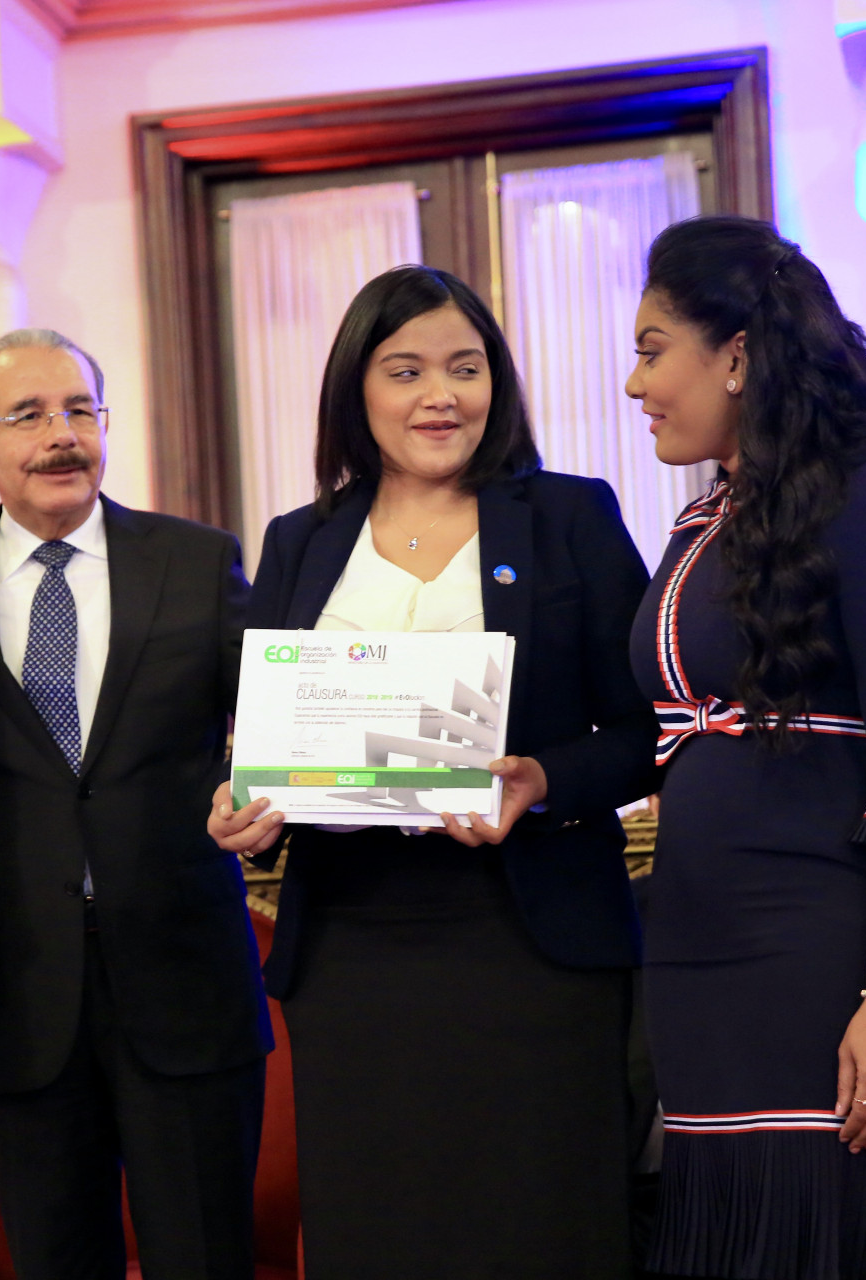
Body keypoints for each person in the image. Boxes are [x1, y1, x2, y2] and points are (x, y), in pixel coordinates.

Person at [209, 265, 659, 1278]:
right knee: (381, 1231)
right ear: (357, 388)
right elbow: (262, 740)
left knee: (542, 1230)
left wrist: (541, 779)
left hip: (532, 944)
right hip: (353, 953)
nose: (440, 395)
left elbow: (648, 729)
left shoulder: (570, 517)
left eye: (465, 367)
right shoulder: (300, 541)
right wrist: (240, 806)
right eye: (405, 370)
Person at [624, 214, 866, 1279]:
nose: (634, 382)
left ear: (738, 353)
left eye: (653, 349)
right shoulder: (707, 517)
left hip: (836, 940)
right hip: (704, 948)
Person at [0, 330, 270, 1280]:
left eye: (80, 410)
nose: (62, 435)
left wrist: (258, 792)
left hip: (186, 981)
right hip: (20, 995)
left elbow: (276, 725)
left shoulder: (196, 561)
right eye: (29, 415)